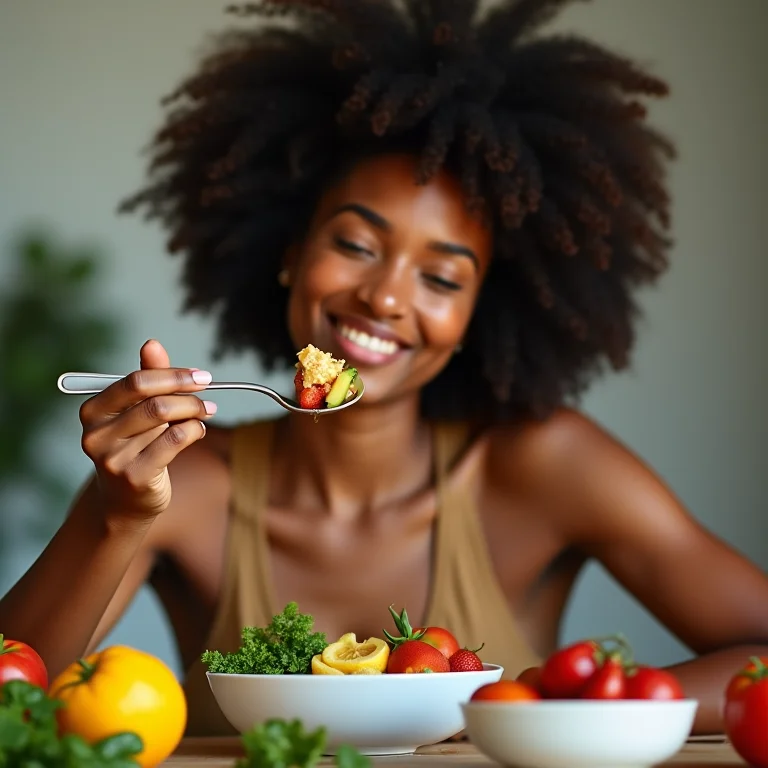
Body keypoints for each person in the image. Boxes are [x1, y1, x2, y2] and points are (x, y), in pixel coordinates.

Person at [1, 0, 766, 737]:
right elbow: (10, 701)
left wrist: (547, 704)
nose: (387, 296)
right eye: (357, 245)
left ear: (477, 318)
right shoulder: (189, 488)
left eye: (441, 279)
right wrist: (117, 515)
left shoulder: (544, 466)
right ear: (290, 254)